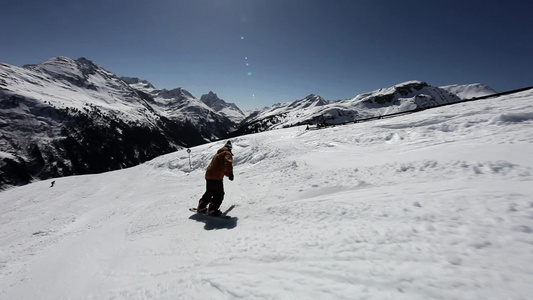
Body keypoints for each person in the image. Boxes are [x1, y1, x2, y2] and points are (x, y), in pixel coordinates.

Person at [197, 140, 234, 216]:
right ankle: (213, 209)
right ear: (230, 148)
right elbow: (228, 163)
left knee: (209, 192)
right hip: (216, 177)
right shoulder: (227, 153)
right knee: (219, 194)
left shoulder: (218, 153)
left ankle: (202, 205)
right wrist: (230, 174)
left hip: (209, 175)